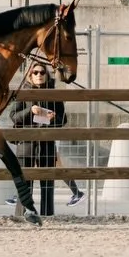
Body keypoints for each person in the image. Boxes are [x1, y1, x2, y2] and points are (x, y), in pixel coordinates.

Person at [9, 60, 83, 215]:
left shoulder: (54, 94)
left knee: (48, 183)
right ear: (30, 75)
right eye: (35, 73)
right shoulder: (23, 92)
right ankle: (23, 214)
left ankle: (47, 214)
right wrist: (31, 111)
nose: (39, 75)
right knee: (25, 182)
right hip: (26, 143)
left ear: (47, 75)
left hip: (47, 143)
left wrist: (52, 118)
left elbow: (63, 120)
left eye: (42, 72)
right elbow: (14, 116)